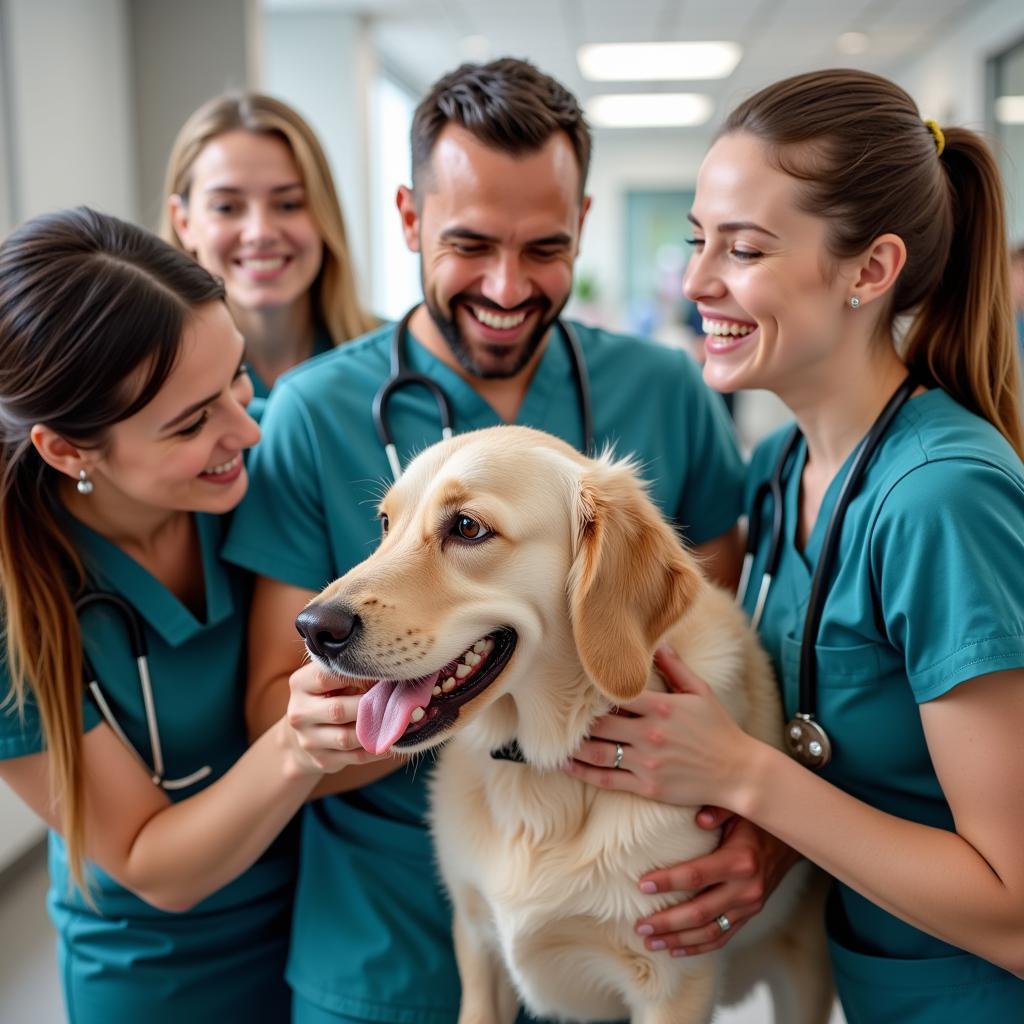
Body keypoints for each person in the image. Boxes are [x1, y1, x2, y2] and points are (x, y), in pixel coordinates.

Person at [222, 58, 752, 1023]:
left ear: (585, 223)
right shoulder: (312, 411)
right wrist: (440, 687)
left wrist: (756, 813)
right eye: (468, 243)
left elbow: (705, 644)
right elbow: (275, 708)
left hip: (625, 910)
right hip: (388, 936)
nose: (507, 286)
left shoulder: (667, 392)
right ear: (410, 218)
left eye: (544, 247)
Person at [566, 69, 1024, 1022]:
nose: (695, 281)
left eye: (744, 249)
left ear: (870, 269)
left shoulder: (942, 502)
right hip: (859, 979)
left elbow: (1016, 910)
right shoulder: (779, 471)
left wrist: (745, 774)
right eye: (699, 240)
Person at [0, 208, 377, 1023]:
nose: (245, 427)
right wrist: (294, 743)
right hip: (160, 975)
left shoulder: (273, 458)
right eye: (190, 421)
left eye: (237, 377)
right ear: (68, 451)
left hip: (331, 922)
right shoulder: (14, 608)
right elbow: (150, 862)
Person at [161, 91, 377, 419]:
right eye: (227, 207)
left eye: (288, 204)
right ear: (184, 222)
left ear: (324, 214)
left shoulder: (395, 361)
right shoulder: (147, 383)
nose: (260, 232)